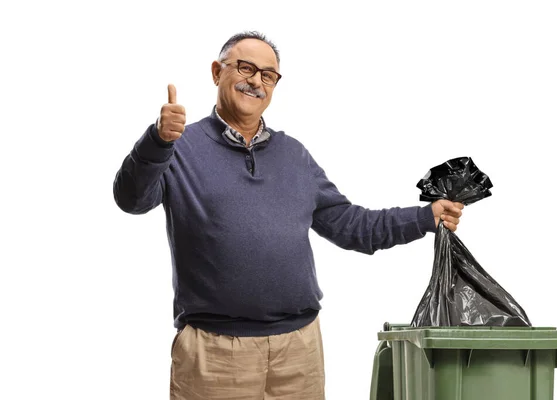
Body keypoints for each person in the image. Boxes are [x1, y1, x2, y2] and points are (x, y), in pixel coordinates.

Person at [113, 31, 464, 400]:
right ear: (217, 72)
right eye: (245, 68)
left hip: (299, 352)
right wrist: (158, 140)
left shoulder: (294, 156)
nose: (255, 81)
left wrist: (426, 217)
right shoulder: (180, 147)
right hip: (215, 354)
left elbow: (352, 227)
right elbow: (131, 199)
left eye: (268, 75)